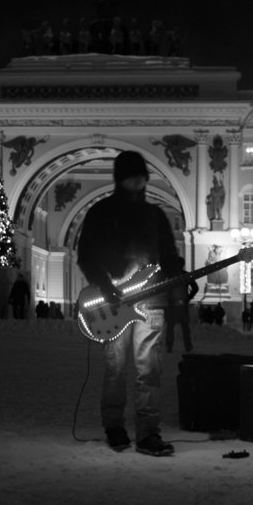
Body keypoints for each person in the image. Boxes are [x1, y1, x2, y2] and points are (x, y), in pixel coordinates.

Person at [77, 150, 183, 457]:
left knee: (149, 370)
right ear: (120, 178)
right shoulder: (101, 212)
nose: (138, 180)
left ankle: (149, 432)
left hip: (152, 302)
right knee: (115, 369)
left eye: (141, 175)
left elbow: (169, 258)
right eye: (131, 175)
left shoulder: (156, 216)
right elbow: (86, 255)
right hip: (114, 304)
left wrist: (178, 291)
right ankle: (114, 426)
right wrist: (106, 285)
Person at [165, 256, 199, 353]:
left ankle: (169, 346)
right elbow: (195, 288)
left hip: (172, 305)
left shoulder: (170, 276)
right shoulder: (186, 275)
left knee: (170, 327)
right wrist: (188, 297)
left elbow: (165, 291)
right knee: (185, 328)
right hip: (183, 304)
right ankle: (187, 346)